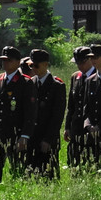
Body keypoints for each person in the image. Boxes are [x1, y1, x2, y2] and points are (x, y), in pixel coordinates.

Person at [0, 46, 37, 182]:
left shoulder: (25, 82)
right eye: (3, 60)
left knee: (18, 170)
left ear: (18, 62)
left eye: (9, 60)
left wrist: (24, 135)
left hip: (15, 134)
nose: (5, 63)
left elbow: (30, 112)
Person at [27, 49, 66, 180]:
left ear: (45, 65)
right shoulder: (30, 83)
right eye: (31, 65)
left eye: (36, 65)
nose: (33, 68)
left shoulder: (56, 85)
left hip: (47, 138)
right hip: (32, 138)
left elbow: (57, 116)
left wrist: (48, 139)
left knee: (49, 176)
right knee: (31, 176)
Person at [64, 46, 95, 170]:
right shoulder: (75, 77)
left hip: (90, 127)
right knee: (73, 162)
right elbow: (71, 105)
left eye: (82, 62)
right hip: (76, 126)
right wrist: (67, 126)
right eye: (77, 62)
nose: (79, 66)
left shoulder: (97, 75)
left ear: (90, 60)